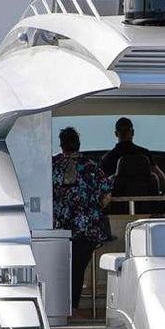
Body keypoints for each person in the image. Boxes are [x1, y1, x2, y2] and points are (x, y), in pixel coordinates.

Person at [52, 127, 111, 317]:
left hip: (58, 228)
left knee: (58, 269)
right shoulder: (91, 167)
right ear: (78, 144)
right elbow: (105, 197)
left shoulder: (52, 166)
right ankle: (73, 309)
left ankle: (56, 308)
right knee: (77, 269)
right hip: (86, 229)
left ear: (61, 145)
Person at [100, 117, 165, 194]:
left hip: (118, 205)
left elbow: (101, 183)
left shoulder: (107, 158)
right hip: (146, 203)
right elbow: (159, 174)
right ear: (132, 132)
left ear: (116, 134)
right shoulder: (144, 153)